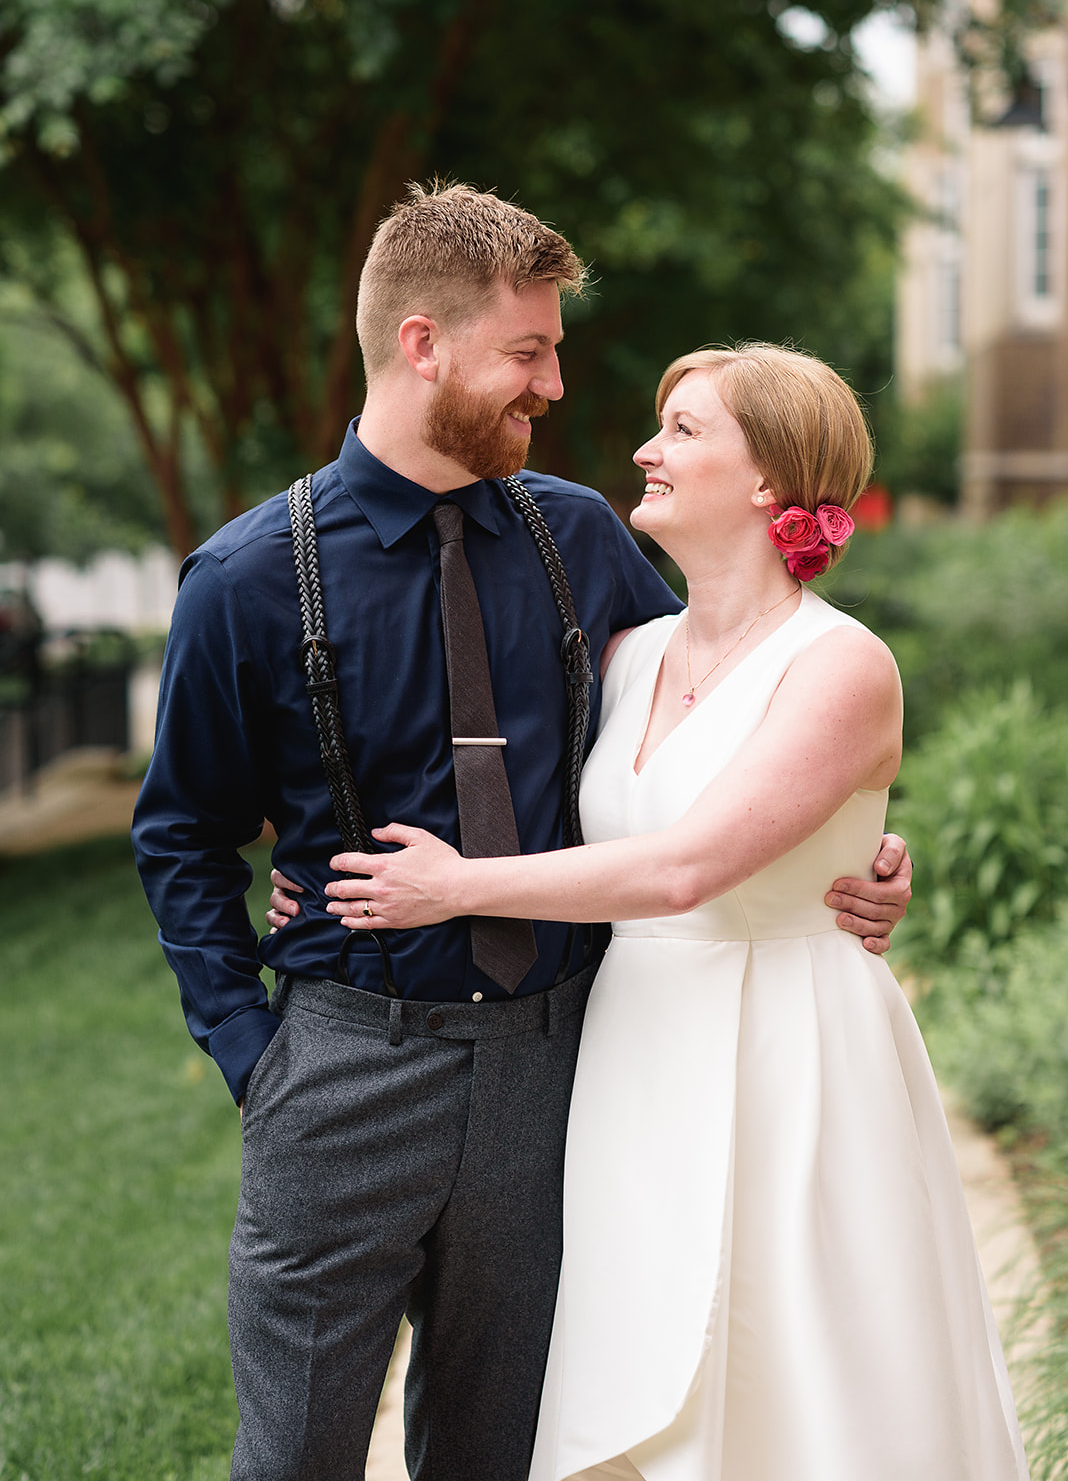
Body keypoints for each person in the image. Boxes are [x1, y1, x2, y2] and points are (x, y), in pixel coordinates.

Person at [133, 184, 911, 1481]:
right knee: (296, 1459)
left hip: (562, 1065)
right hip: (341, 1069)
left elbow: (729, 718)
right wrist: (256, 1058)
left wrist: (857, 853)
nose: (551, 386)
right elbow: (182, 835)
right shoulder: (248, 577)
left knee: (505, 1450)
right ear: (424, 344)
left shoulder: (583, 540)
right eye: (528, 352)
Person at [321, 344, 1028, 1481]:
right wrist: (312, 858)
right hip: (633, 1046)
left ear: (769, 481)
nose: (647, 448)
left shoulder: (843, 666)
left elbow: (690, 865)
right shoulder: (628, 654)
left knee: (796, 1365)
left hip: (790, 1048)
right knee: (634, 1347)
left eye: (685, 429)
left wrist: (451, 887)